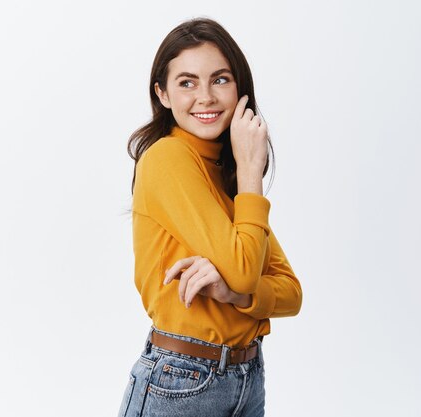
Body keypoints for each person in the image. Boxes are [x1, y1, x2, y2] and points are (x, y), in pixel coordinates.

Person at [118, 17, 302, 417]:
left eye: (220, 79)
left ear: (240, 90)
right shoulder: (168, 157)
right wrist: (251, 169)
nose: (206, 96)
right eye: (187, 82)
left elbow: (290, 292)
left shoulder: (222, 171)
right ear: (162, 94)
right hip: (182, 381)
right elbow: (242, 268)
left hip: (246, 378)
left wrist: (235, 294)